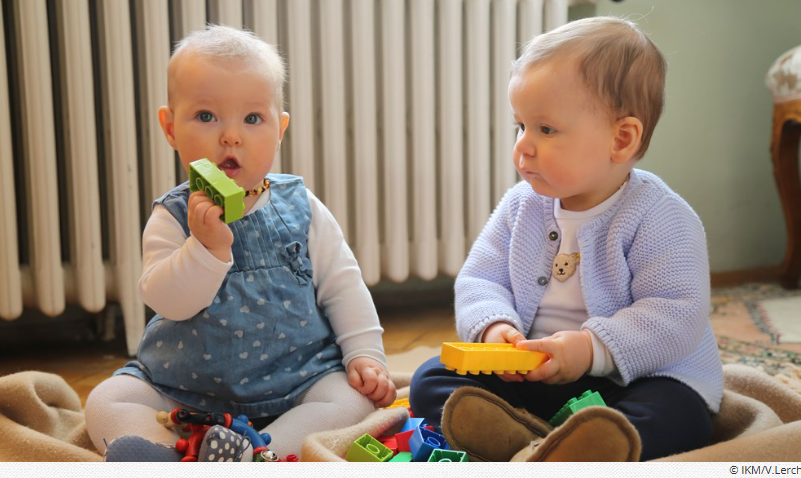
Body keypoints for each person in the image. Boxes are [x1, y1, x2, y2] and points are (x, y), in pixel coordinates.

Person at [410, 16, 722, 461]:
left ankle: (586, 444)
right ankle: (526, 440)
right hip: (531, 376)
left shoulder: (661, 215)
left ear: (622, 138)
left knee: (682, 414)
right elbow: (480, 279)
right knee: (430, 379)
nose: (523, 146)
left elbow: (676, 313)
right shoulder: (521, 205)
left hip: (629, 381)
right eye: (520, 126)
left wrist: (591, 349)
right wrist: (496, 326)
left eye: (546, 129)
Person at [85, 24, 395, 462]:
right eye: (207, 117)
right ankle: (161, 456)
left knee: (351, 400)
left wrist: (365, 355)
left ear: (280, 128)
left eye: (252, 119)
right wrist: (205, 249)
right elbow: (167, 302)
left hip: (297, 382)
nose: (231, 136)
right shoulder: (171, 217)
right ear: (170, 128)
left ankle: (254, 455)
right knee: (107, 400)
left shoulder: (301, 208)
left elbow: (344, 286)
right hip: (182, 389)